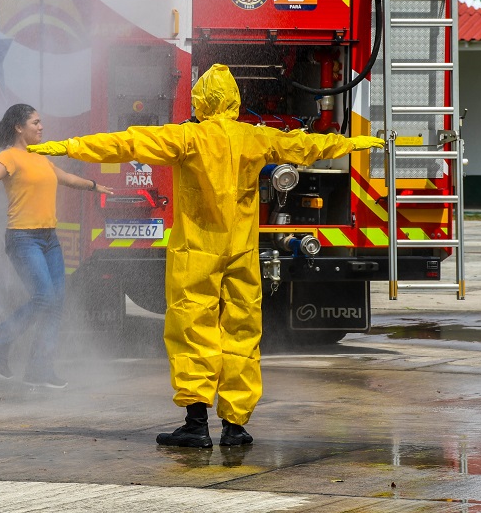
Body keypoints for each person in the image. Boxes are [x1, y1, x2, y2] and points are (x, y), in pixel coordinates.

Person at [28, 64, 384, 448]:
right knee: (243, 331)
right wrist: (355, 143)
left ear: (200, 100)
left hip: (197, 250)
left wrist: (66, 147)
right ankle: (235, 425)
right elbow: (307, 146)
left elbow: (127, 142)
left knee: (192, 328)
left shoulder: (188, 137)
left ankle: (196, 424)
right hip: (242, 250)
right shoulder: (254, 137)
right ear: (233, 101)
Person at [0, 104, 111, 388]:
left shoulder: (40, 156)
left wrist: (93, 185)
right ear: (19, 127)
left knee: (55, 302)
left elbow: (66, 178)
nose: (41, 127)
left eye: (40, 122)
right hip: (24, 239)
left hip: (50, 239)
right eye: (35, 122)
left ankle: (39, 369)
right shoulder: (9, 156)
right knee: (44, 298)